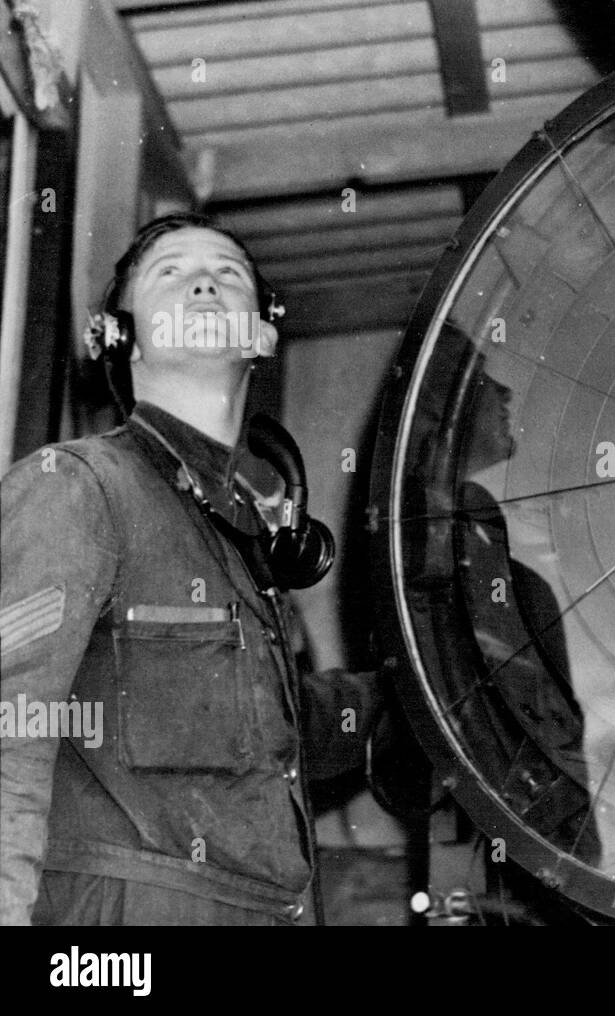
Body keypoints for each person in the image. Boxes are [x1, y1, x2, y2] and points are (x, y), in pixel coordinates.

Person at [0, 212, 380, 925]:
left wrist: (423, 694)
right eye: (169, 273)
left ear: (262, 335)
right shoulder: (80, 486)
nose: (205, 280)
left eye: (229, 273)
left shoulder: (241, 532)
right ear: (120, 337)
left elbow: (274, 734)